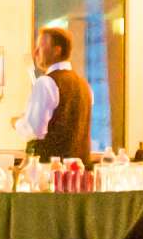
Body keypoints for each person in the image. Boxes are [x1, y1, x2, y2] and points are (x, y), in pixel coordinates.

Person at [19, 27, 93, 162]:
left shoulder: (45, 83)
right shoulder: (85, 86)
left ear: (56, 50)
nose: (35, 52)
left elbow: (33, 130)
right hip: (79, 174)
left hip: (51, 173)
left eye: (40, 47)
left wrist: (16, 122)